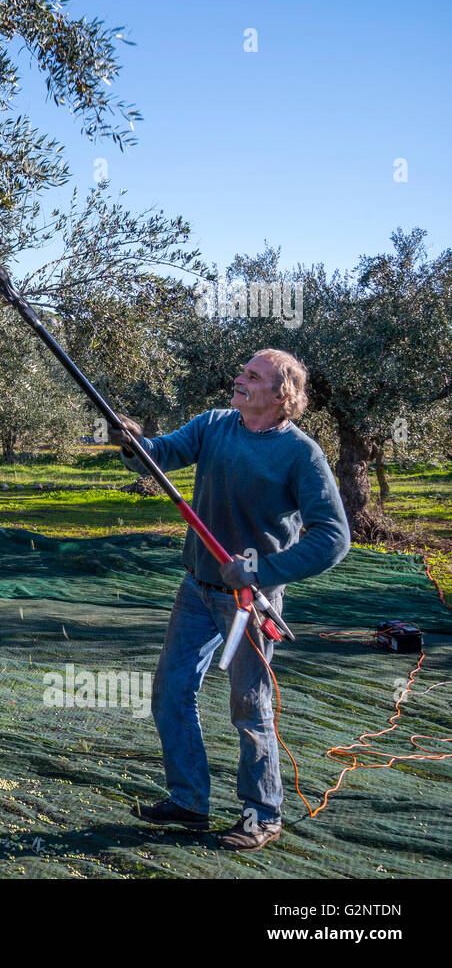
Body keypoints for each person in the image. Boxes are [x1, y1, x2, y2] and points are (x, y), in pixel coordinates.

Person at [108, 349, 349, 851]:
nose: (238, 379)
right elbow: (162, 454)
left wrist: (261, 569)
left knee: (249, 705)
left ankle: (262, 813)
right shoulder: (215, 425)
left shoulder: (300, 454)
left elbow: (332, 537)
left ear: (281, 395)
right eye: (241, 370)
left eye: (252, 376)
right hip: (198, 587)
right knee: (170, 691)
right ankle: (190, 801)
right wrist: (131, 442)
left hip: (250, 600)